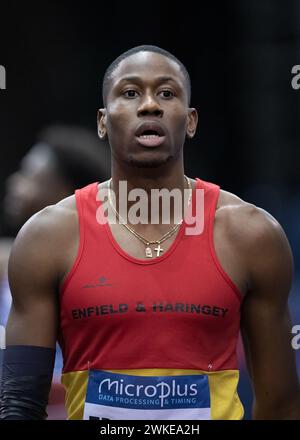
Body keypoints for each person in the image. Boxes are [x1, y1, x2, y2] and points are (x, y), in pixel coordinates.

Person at [0, 45, 299, 420]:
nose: (150, 106)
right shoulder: (47, 238)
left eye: (167, 93)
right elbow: (20, 406)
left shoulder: (252, 235)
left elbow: (281, 406)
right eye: (129, 93)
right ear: (102, 122)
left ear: (190, 121)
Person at [0, 124, 110, 418]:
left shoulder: (97, 279)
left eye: (29, 176)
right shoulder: (14, 263)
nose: (14, 183)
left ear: (62, 192)